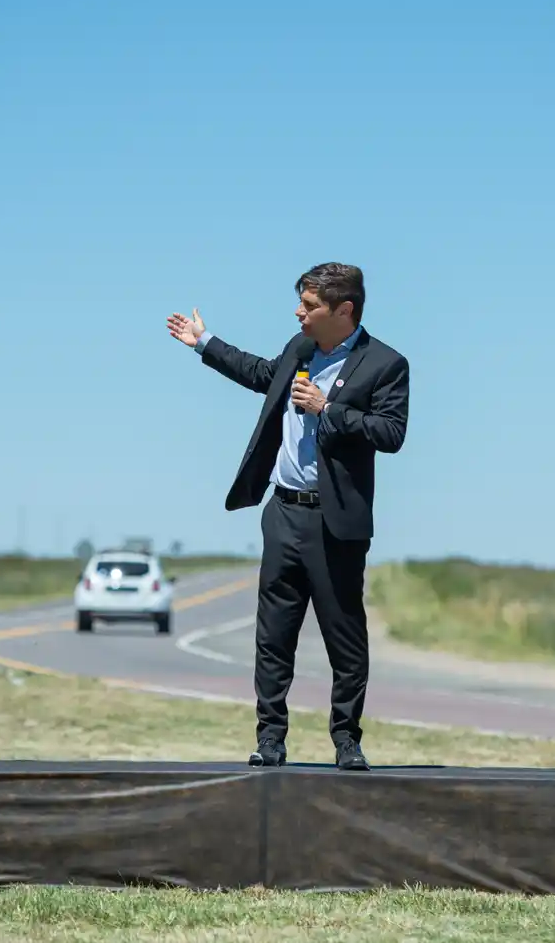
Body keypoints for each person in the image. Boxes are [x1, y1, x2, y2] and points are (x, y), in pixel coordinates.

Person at [166, 263, 409, 771]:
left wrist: (328, 410)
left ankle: (347, 740)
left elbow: (391, 433)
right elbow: (260, 373)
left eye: (310, 305)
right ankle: (270, 739)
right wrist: (202, 341)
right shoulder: (298, 350)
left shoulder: (385, 364)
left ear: (343, 311)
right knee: (273, 633)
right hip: (283, 514)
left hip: (335, 523)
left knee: (345, 636)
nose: (299, 312)